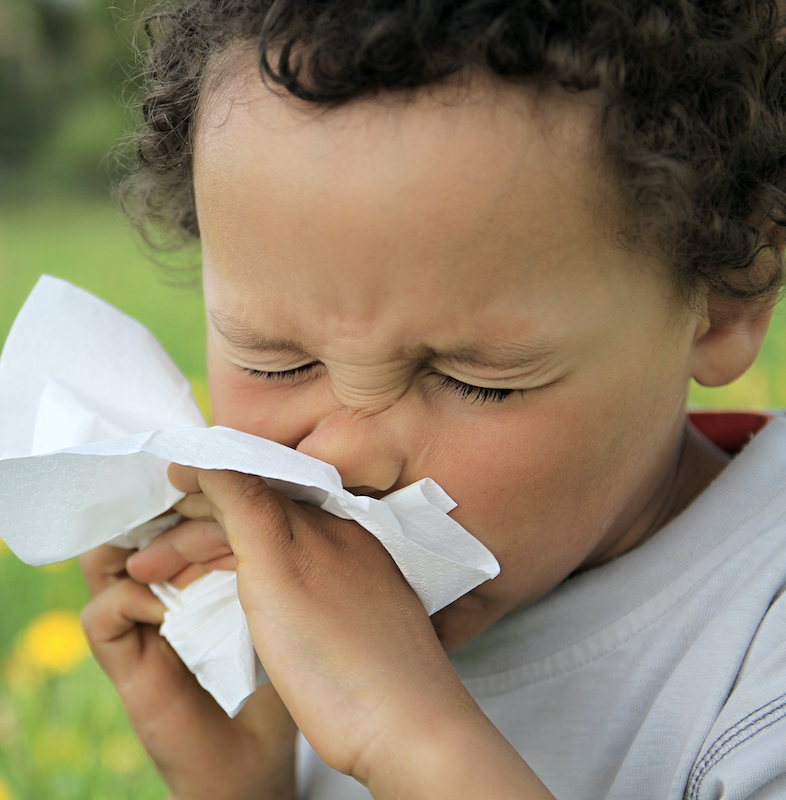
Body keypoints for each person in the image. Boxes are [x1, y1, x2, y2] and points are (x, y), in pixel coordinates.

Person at [78, 2, 786, 797]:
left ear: (728, 293)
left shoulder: (759, 657)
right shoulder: (312, 644)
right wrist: (249, 786)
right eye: (274, 361)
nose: (343, 456)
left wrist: (412, 738)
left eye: (477, 379)